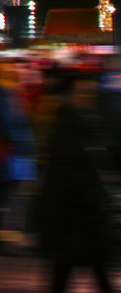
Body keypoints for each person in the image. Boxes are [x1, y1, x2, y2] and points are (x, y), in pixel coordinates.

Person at [35, 73, 118, 293]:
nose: (88, 97)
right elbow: (69, 170)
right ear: (69, 95)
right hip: (74, 214)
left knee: (70, 267)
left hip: (75, 215)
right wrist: (95, 197)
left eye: (90, 93)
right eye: (83, 93)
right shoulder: (67, 124)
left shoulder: (80, 121)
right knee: (84, 264)